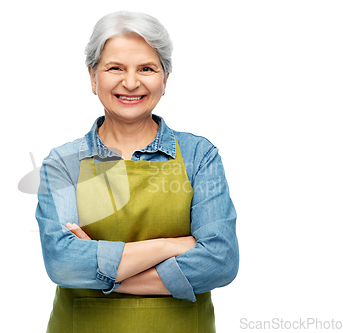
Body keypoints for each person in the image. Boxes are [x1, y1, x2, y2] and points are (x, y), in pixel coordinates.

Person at [35, 11, 238, 333]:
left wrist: (104, 275)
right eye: (115, 68)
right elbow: (64, 264)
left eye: (146, 68)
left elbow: (220, 262)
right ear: (93, 76)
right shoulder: (64, 162)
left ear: (165, 79)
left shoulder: (200, 156)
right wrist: (169, 246)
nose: (131, 83)